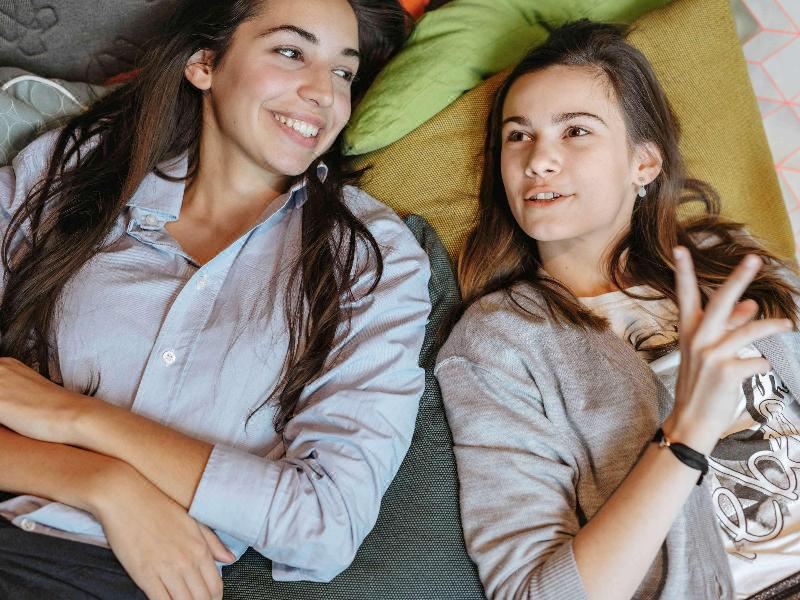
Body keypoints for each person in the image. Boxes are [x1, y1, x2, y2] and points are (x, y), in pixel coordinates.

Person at [0, 0, 431, 598]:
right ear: (205, 64)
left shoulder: (368, 255)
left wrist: (75, 416)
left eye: (343, 72)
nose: (323, 93)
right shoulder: (74, 169)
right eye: (291, 52)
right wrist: (101, 483)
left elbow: (325, 525)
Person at [435, 20, 800, 600]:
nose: (538, 160)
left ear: (644, 164)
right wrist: (685, 432)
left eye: (576, 130)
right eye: (518, 135)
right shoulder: (497, 346)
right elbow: (535, 593)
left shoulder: (732, 263)